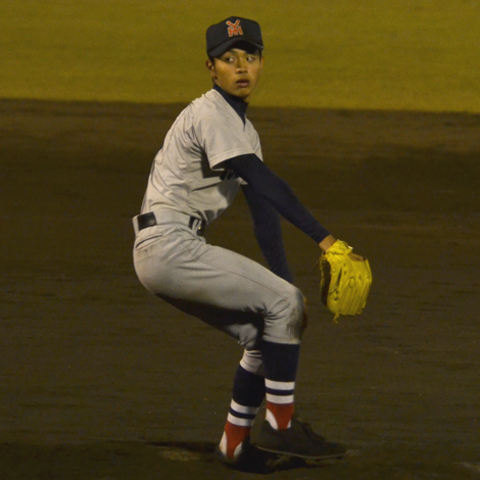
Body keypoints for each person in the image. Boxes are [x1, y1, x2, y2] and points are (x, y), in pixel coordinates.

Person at [132, 16, 365, 470]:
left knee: (266, 333)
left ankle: (234, 445)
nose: (241, 67)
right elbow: (262, 178)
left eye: (250, 57)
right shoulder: (211, 114)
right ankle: (281, 426)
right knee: (284, 305)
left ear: (261, 64)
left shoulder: (243, 131)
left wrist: (281, 283)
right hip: (170, 245)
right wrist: (326, 240)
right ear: (210, 67)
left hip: (167, 247)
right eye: (228, 58)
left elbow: (263, 210)